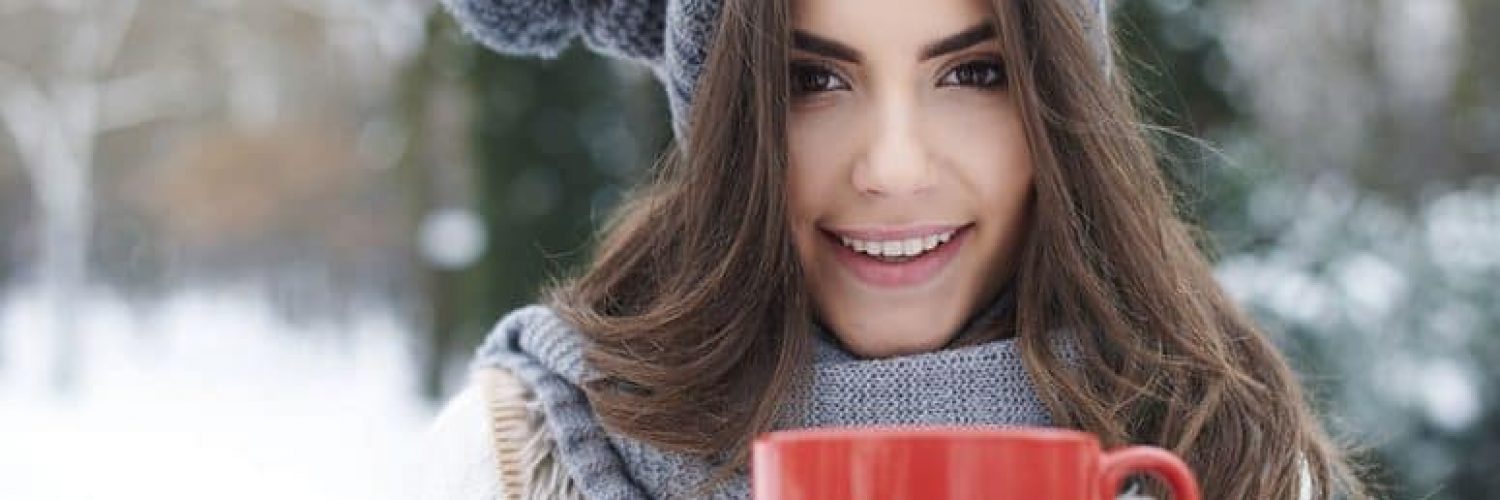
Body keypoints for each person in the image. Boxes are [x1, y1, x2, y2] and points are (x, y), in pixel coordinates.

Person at [420, 0, 1370, 498]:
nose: (894, 168)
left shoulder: (1229, 449)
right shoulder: (515, 463)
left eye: (974, 71)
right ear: (721, 122)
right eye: (813, 79)